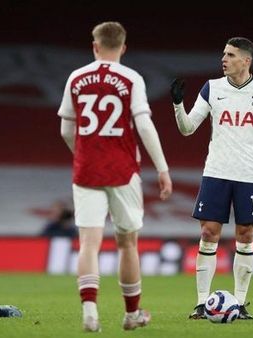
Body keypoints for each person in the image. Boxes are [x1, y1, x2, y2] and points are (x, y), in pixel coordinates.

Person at [169, 37, 253, 320]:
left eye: (230, 55)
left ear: (246, 60)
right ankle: (201, 303)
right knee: (208, 234)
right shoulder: (212, 87)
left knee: (246, 235)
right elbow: (188, 128)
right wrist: (178, 105)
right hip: (216, 171)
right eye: (223, 54)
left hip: (250, 174)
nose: (224, 59)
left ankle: (240, 303)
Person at [58, 21, 173, 332]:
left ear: (95, 46)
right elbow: (145, 126)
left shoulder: (76, 77)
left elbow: (66, 129)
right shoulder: (131, 78)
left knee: (88, 243)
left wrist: (83, 154)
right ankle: (132, 314)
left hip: (86, 170)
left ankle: (90, 311)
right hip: (123, 171)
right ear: (123, 47)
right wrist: (162, 168)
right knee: (127, 243)